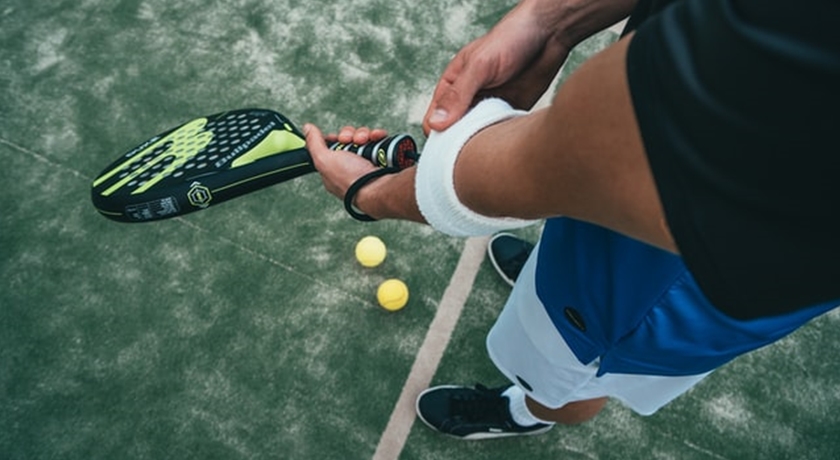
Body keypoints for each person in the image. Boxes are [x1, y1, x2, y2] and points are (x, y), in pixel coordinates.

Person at [302, 0, 840, 440]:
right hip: (666, 203)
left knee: (570, 374)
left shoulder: (786, 51)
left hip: (661, 288)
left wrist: (369, 194)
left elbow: (566, 164)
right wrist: (550, 20)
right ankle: (549, 275)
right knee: (568, 251)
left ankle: (527, 411)